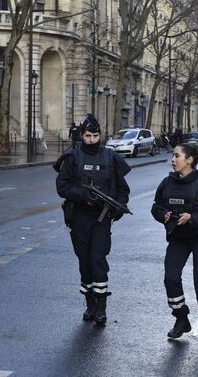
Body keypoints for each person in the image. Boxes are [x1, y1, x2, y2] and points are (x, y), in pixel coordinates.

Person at [54, 116, 131, 324]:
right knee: (85, 262)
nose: (91, 140)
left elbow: (123, 190)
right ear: (82, 136)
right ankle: (90, 303)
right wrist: (82, 195)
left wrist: (117, 209)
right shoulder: (72, 157)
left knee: (98, 259)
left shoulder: (110, 157)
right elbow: (62, 187)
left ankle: (101, 306)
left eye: (95, 135)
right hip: (79, 216)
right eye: (88, 136)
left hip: (102, 218)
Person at [151, 143, 198, 346]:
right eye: (173, 156)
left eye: (177, 156)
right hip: (178, 238)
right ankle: (181, 318)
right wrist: (163, 214)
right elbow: (156, 206)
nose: (173, 160)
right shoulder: (168, 182)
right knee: (171, 278)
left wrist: (192, 217)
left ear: (190, 159)